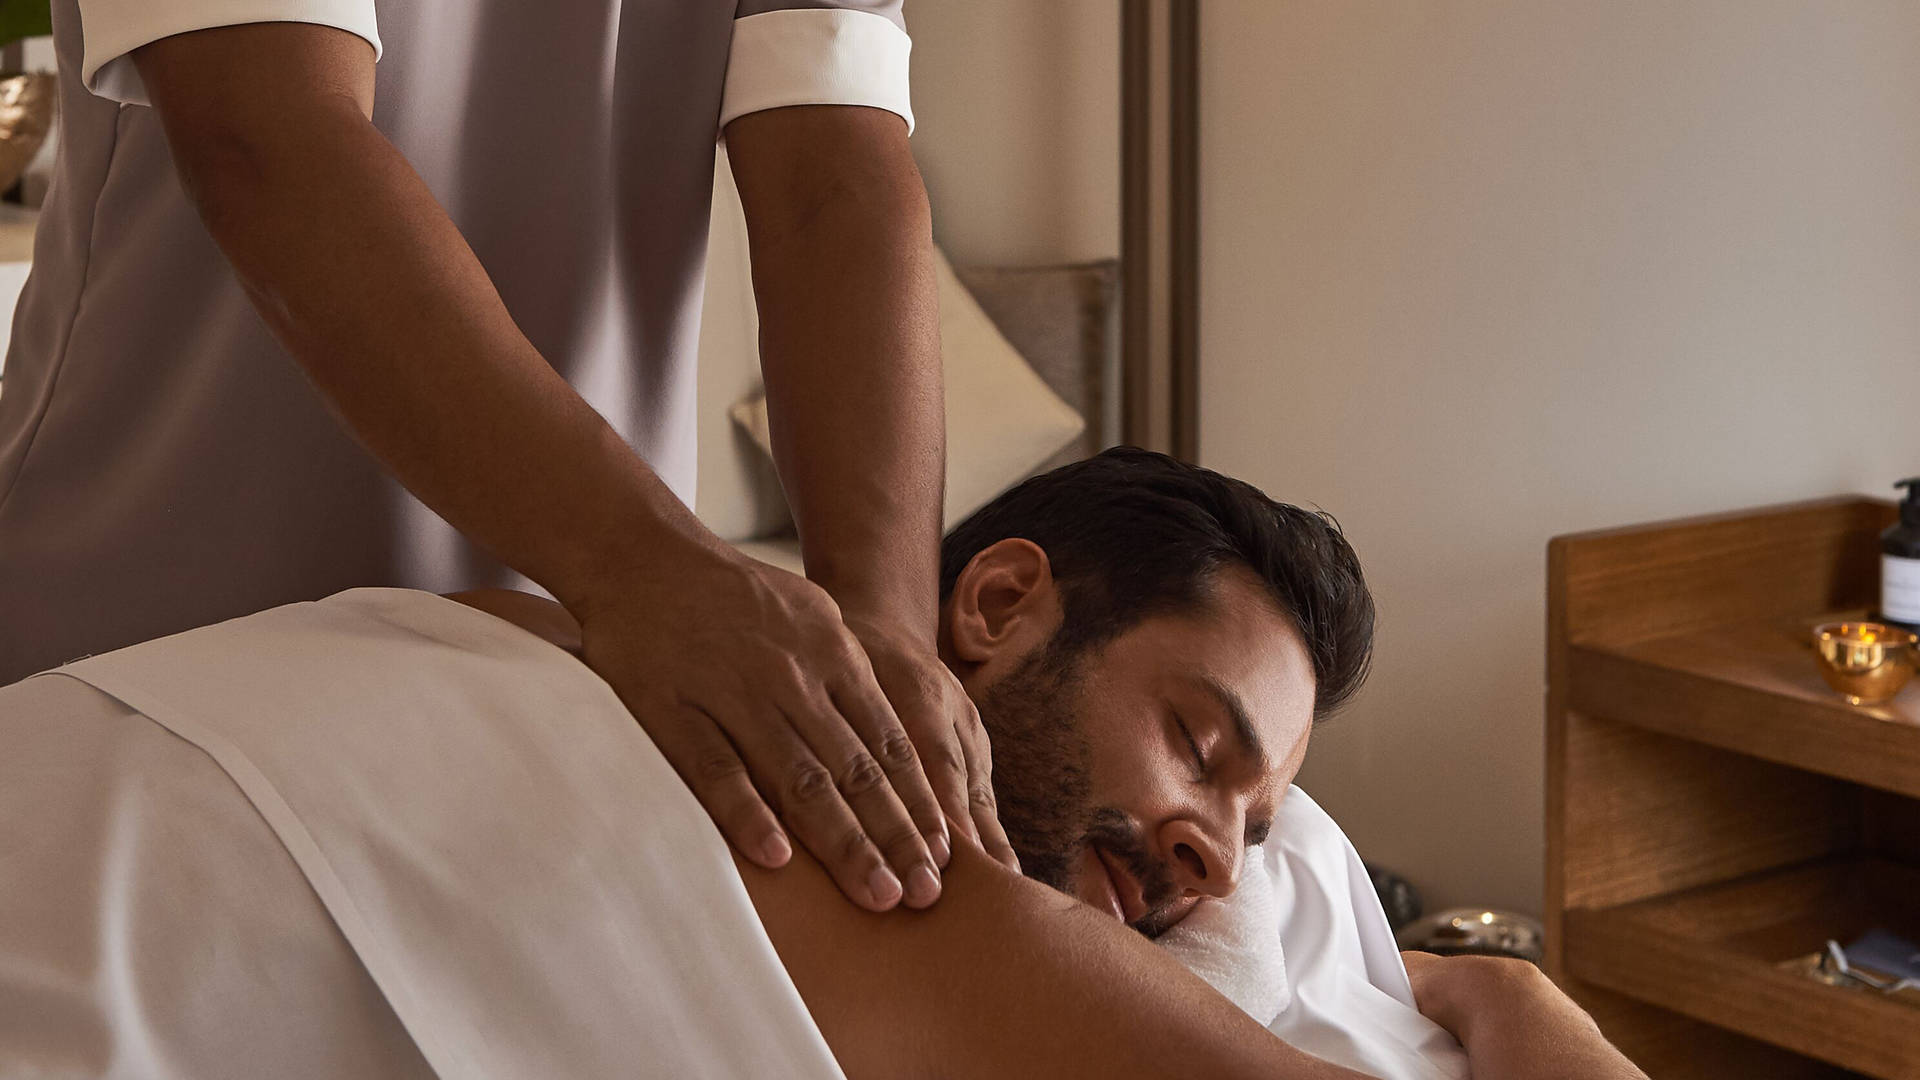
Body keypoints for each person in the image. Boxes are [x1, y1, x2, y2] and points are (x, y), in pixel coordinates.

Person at [0, 448, 1647, 1078]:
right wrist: (1516, 999)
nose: (1221, 852)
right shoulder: (881, 837)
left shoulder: (561, 632)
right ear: (998, 604)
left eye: (1258, 822)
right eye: (1196, 745)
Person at [0, 1, 1012, 911]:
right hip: (153, 635)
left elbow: (833, 178)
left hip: (562, 684)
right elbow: (264, 135)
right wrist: (650, 568)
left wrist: (880, 635)